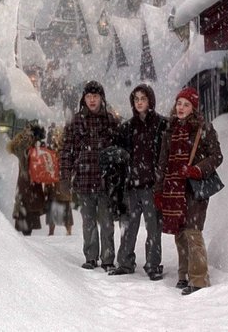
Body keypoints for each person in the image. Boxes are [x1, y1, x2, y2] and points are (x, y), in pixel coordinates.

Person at [155, 87, 223, 295]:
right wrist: (159, 190)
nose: (181, 108)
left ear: (193, 108)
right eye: (179, 103)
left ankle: (199, 279)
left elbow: (217, 156)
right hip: (173, 188)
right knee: (180, 233)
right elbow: (163, 162)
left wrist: (196, 170)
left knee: (193, 232)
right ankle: (184, 275)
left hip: (194, 187)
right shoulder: (170, 130)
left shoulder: (204, 129)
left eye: (186, 104)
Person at [108, 84, 167, 280]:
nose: (139, 102)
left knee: (153, 228)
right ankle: (125, 262)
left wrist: (160, 176)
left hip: (152, 185)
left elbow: (166, 154)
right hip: (132, 186)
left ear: (150, 100)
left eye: (143, 98)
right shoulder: (127, 127)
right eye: (136, 99)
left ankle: (153, 265)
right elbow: (116, 152)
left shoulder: (161, 125)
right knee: (129, 227)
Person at [60, 80, 120, 270]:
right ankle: (91, 257)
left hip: (105, 181)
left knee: (107, 223)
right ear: (83, 99)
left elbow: (119, 151)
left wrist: (118, 176)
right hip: (84, 180)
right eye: (89, 97)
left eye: (95, 96)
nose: (92, 100)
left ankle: (108, 259)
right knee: (88, 222)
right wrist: (64, 176)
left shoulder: (110, 121)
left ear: (101, 98)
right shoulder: (76, 122)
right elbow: (66, 151)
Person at [8, 124, 47, 236]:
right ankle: (24, 240)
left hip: (33, 184)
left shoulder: (37, 148)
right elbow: (14, 148)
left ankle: (26, 239)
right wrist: (25, 138)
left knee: (30, 211)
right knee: (24, 210)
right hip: (25, 184)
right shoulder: (23, 148)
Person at [45, 125, 73, 236]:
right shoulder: (53, 151)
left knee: (65, 208)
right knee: (54, 207)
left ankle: (67, 231)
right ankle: (52, 231)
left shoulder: (65, 151)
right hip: (55, 184)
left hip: (62, 184)